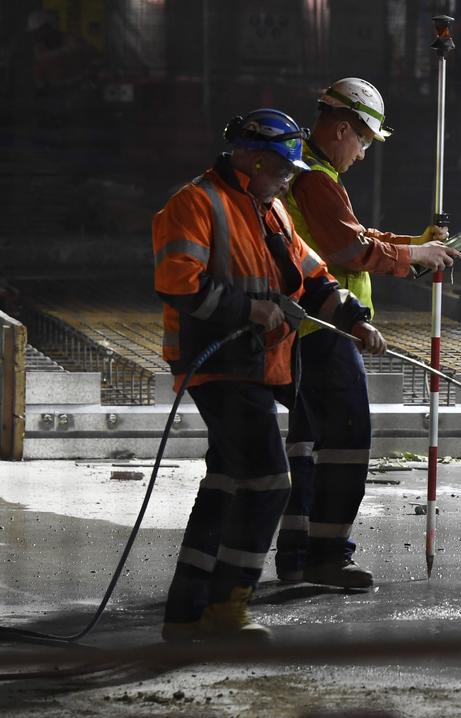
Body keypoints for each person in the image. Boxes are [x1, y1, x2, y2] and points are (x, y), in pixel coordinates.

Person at [154, 107, 386, 643]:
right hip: (217, 363)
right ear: (254, 159)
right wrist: (250, 309)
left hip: (260, 365)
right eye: (282, 169)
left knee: (226, 484)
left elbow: (310, 275)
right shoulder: (195, 203)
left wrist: (353, 317)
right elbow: (177, 283)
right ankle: (228, 608)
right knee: (269, 481)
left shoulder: (269, 208)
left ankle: (187, 613)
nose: (289, 179)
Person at [274, 77, 461, 588]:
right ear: (341, 129)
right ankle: (328, 556)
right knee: (348, 439)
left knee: (308, 445)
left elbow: (355, 236)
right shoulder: (315, 178)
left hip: (308, 327)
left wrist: (415, 245)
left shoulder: (309, 171)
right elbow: (347, 252)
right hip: (325, 325)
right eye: (362, 141)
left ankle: (296, 555)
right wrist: (412, 259)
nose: (362, 153)